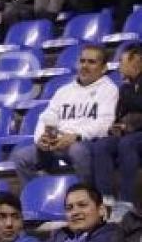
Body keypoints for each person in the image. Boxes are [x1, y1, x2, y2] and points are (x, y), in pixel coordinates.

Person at [12, 45, 118, 187]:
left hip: (86, 143)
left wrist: (75, 136)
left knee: (77, 150)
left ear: (104, 68)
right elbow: (47, 116)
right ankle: (38, 194)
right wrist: (41, 139)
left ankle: (89, 195)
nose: (85, 65)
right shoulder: (64, 91)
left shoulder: (109, 89)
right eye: (82, 61)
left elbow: (105, 124)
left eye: (91, 62)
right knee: (21, 157)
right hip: (57, 143)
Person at [91, 44, 142, 208]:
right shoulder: (126, 87)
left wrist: (130, 125)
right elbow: (120, 114)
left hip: (136, 135)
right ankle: (107, 199)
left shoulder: (127, 89)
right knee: (102, 146)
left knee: (128, 144)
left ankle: (127, 201)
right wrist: (117, 125)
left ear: (135, 60)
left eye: (122, 61)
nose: (119, 66)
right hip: (130, 133)